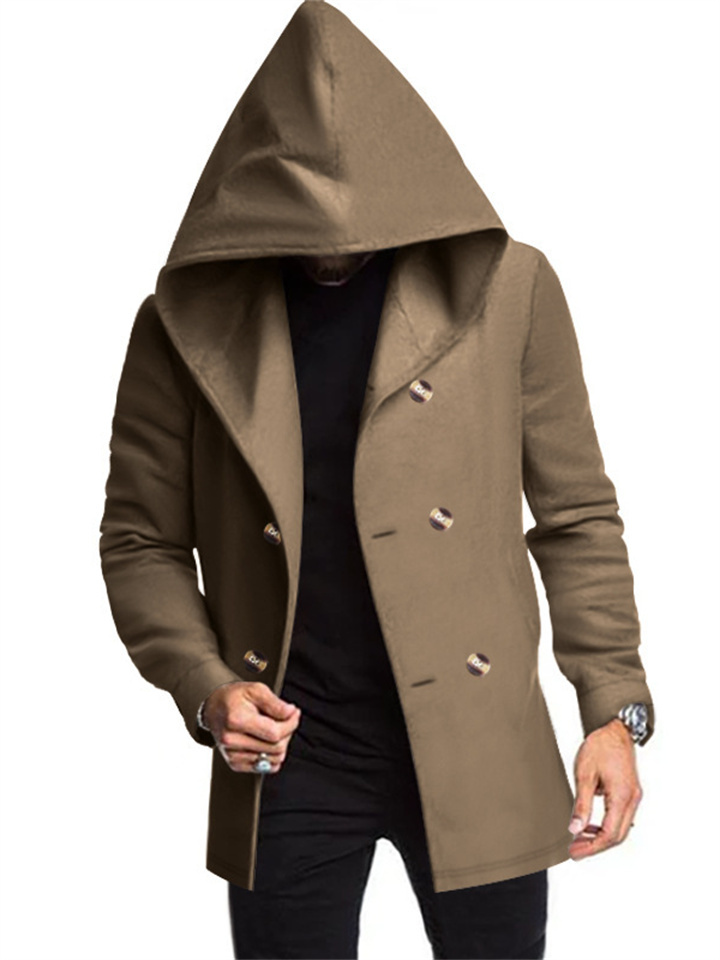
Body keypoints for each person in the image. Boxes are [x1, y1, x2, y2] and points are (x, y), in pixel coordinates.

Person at [99, 3, 654, 958]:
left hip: (476, 738)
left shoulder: (508, 288)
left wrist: (613, 710)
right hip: (288, 751)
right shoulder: (184, 323)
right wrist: (206, 687)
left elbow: (576, 516)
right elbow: (140, 540)